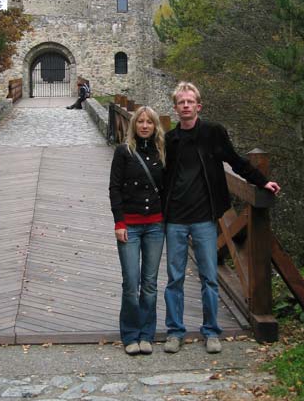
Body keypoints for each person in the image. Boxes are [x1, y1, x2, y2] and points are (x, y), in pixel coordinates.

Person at [163, 82, 281, 355]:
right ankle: (174, 331)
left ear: (198, 106)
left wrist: (262, 182)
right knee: (174, 278)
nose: (186, 106)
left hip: (204, 217)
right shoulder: (170, 140)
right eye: (181, 102)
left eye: (190, 102)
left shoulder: (213, 133)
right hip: (176, 219)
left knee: (209, 277)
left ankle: (211, 331)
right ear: (175, 107)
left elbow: (236, 161)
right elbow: (162, 176)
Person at [109, 106, 166, 355]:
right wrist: (119, 222)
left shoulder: (163, 152)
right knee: (131, 283)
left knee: (150, 283)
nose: (144, 126)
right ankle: (130, 334)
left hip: (155, 225)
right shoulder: (124, 152)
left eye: (149, 122)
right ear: (133, 125)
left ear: (155, 126)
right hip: (130, 226)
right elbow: (114, 188)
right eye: (140, 122)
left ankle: (147, 334)